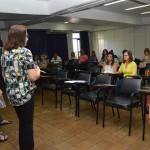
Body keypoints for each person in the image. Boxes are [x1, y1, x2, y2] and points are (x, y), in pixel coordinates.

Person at [1, 25, 40, 150]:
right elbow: (33, 77)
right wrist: (38, 71)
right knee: (27, 125)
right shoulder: (25, 52)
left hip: (12, 96)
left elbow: (4, 74)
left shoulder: (4, 53)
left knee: (23, 123)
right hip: (25, 96)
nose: (28, 38)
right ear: (20, 36)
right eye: (26, 35)